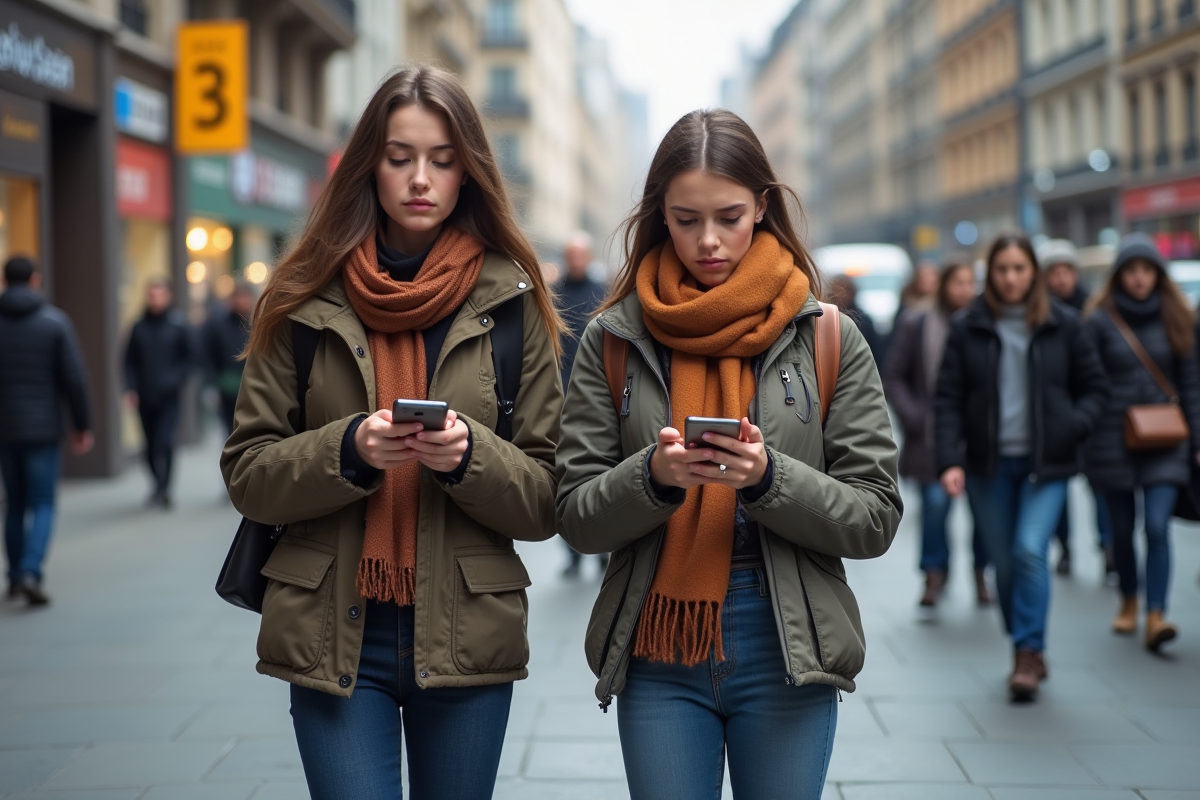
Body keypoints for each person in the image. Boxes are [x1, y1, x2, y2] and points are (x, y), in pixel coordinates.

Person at [221, 66, 564, 800]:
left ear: (469, 172)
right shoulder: (301, 294)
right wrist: (349, 449)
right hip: (331, 627)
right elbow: (247, 472)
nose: (420, 179)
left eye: (442, 160)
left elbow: (544, 500)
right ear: (367, 164)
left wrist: (471, 456)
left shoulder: (512, 300)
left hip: (467, 631)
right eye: (400, 156)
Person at [556, 109, 902, 800]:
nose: (708, 240)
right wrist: (650, 479)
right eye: (685, 219)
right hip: (658, 638)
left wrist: (770, 478)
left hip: (784, 636)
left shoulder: (828, 336)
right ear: (660, 215)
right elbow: (573, 513)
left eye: (729, 216)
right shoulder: (614, 339)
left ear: (764, 207)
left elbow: (875, 515)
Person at [935, 232, 1106, 702]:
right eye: (1003, 269)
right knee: (1006, 565)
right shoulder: (968, 325)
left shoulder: (1063, 324)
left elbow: (1095, 389)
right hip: (988, 466)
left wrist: (1074, 424)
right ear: (993, 274)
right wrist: (949, 458)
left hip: (1045, 465)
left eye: (1020, 269)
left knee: (1031, 550)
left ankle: (1027, 652)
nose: (1011, 278)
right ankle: (1025, 640)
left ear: (1034, 273)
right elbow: (947, 398)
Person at [1082, 233, 1200, 653]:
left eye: (1147, 270)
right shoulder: (1098, 321)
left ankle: (1156, 613)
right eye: (1131, 271)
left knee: (1156, 526)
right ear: (1118, 276)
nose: (1139, 279)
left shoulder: (1177, 317)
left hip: (1167, 439)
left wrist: (1197, 440)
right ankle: (1129, 597)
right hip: (1112, 439)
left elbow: (1190, 384)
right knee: (1120, 530)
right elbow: (1087, 383)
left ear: (1158, 275)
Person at [884, 259, 991, 615]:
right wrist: (915, 417)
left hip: (978, 437)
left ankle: (981, 573)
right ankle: (934, 572)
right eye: (956, 282)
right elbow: (894, 376)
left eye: (968, 282)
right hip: (930, 438)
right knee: (935, 504)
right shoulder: (918, 323)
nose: (963, 289)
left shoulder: (987, 324)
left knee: (986, 511)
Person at [0, 256, 93, 606]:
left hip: (5, 429)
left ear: (4, 280)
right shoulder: (54, 322)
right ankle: (30, 571)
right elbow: (74, 379)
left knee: (14, 503)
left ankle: (12, 576)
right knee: (42, 502)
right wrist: (82, 426)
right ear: (35, 280)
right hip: (42, 429)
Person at [1037, 238, 1113, 578]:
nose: (1061, 278)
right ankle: (1064, 546)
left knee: (1101, 485)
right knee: (1060, 490)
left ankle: (1107, 545)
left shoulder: (1092, 308)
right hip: (1054, 417)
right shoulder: (1036, 312)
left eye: (1067, 270)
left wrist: (1085, 415)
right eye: (1055, 271)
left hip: (1086, 415)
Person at [553, 231, 609, 578]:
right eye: (571, 255)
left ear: (587, 258)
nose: (576, 260)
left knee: (599, 467)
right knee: (565, 473)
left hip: (596, 393)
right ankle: (573, 552)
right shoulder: (554, 294)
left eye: (581, 255)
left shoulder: (602, 293)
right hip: (560, 393)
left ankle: (603, 548)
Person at [124, 279, 193, 509]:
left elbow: (190, 358)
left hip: (169, 396)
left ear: (168, 297)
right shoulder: (139, 327)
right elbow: (128, 361)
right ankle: (156, 483)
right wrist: (130, 389)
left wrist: (175, 380)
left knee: (165, 441)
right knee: (150, 445)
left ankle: (165, 488)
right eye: (152, 295)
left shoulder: (178, 326)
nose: (155, 299)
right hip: (144, 395)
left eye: (159, 294)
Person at [202, 280, 254, 435]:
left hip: (250, 385)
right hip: (225, 384)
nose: (241, 301)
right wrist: (211, 383)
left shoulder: (256, 324)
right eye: (238, 297)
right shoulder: (218, 325)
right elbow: (209, 354)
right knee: (229, 429)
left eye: (245, 297)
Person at [829, 273, 883, 361]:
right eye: (837, 290)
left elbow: (874, 352)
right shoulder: (824, 318)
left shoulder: (863, 320)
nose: (841, 294)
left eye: (846, 290)